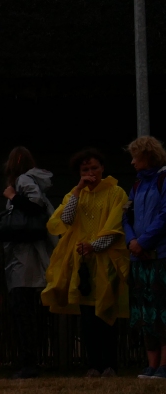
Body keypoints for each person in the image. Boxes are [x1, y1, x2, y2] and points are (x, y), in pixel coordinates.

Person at [43, 148, 129, 377]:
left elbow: (114, 227)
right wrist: (79, 190)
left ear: (102, 168)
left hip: (106, 261)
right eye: (85, 170)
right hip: (81, 263)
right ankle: (93, 365)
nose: (90, 173)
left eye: (94, 168)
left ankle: (110, 365)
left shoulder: (116, 192)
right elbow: (66, 219)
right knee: (88, 316)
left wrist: (95, 246)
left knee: (106, 313)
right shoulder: (75, 194)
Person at [1, 147, 56, 379]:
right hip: (30, 258)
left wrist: (13, 197)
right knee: (30, 313)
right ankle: (31, 361)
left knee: (23, 312)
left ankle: (29, 363)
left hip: (25, 260)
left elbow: (35, 207)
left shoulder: (23, 180)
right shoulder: (32, 181)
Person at [122, 137, 166, 379]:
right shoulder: (137, 185)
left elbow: (164, 215)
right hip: (139, 258)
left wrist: (144, 241)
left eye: (135, 156)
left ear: (147, 156)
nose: (131, 162)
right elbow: (126, 216)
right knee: (145, 312)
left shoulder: (164, 180)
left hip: (160, 256)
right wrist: (132, 242)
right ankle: (151, 365)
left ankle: (164, 365)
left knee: (163, 310)